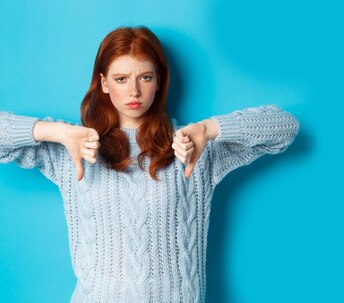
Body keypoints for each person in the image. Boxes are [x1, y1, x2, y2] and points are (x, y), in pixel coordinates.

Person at [0, 25, 300, 303]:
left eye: (145, 77)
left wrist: (209, 130)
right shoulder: (75, 146)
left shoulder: (190, 145)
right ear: (103, 83)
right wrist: (58, 132)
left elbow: (285, 127)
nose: (134, 91)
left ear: (159, 81)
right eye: (121, 79)